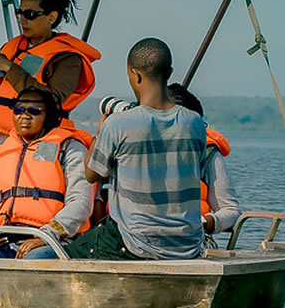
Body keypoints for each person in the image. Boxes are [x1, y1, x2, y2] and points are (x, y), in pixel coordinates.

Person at [0, 0, 101, 207]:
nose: (23, 19)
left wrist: (9, 68)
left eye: (30, 14)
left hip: (27, 134)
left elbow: (54, 100)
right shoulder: (13, 47)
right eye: (20, 13)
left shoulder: (67, 58)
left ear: (52, 17)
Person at [65, 38, 206, 260]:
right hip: (187, 245)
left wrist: (100, 134)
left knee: (54, 254)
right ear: (169, 72)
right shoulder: (194, 122)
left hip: (134, 243)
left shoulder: (118, 123)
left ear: (135, 75)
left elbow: (91, 174)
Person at [0, 87, 93, 259]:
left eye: (34, 111)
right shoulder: (2, 153)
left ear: (48, 115)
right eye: (18, 110)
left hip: (54, 239)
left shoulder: (68, 149)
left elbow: (80, 202)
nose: (25, 116)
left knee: (34, 262)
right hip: (4, 238)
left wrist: (48, 235)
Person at [168, 83, 242, 236]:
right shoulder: (131, 146)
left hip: (188, 242)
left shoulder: (207, 152)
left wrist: (206, 222)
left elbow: (230, 210)